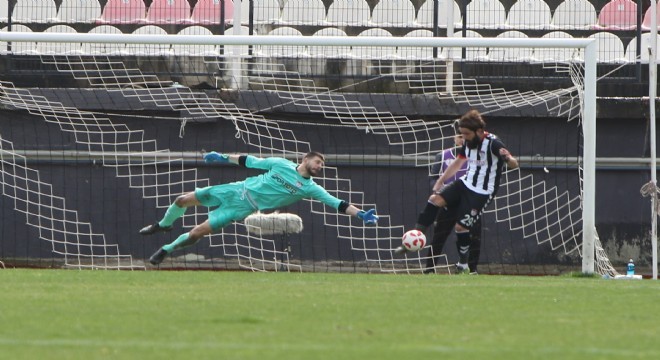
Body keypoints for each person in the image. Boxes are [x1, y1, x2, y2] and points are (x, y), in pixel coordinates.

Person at [140, 151, 379, 265]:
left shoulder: (310, 188)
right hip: (235, 190)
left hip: (243, 208)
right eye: (318, 162)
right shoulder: (281, 164)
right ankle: (163, 225)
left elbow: (336, 203)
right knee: (182, 200)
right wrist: (222, 157)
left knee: (196, 233)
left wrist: (360, 214)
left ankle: (166, 249)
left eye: (323, 165)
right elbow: (249, 161)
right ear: (306, 159)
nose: (320, 166)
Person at [396, 110, 518, 274]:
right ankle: (412, 240)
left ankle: (463, 264)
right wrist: (440, 181)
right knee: (434, 200)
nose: (464, 138)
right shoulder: (469, 142)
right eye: (462, 134)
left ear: (479, 131)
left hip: (482, 192)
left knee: (461, 228)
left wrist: (508, 160)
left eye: (466, 134)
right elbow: (458, 162)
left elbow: (514, 164)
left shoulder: (494, 143)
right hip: (465, 183)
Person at [425, 134, 483, 274]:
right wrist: (443, 192)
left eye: (465, 136)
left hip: (470, 202)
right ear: (454, 138)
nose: (462, 139)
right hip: (448, 202)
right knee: (439, 236)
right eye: (459, 136)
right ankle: (429, 269)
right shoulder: (443, 156)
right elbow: (433, 179)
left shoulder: (477, 156)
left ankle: (472, 269)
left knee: (474, 235)